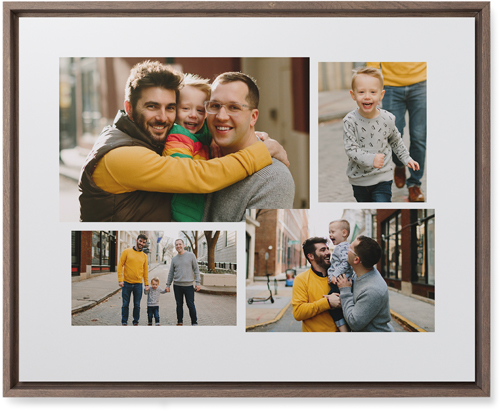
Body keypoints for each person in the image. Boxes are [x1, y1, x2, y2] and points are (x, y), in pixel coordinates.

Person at [78, 60, 289, 222]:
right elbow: (198, 175)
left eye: (170, 107)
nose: (163, 117)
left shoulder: (145, 138)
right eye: (152, 106)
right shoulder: (121, 156)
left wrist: (248, 136)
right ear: (129, 108)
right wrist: (263, 150)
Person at [203, 72, 295, 222]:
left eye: (234, 107)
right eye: (215, 106)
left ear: (253, 117)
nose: (221, 116)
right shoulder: (199, 151)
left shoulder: (273, 179)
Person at [343, 66, 419, 202]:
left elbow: (396, 141)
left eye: (373, 92)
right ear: (353, 95)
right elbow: (351, 149)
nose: (367, 96)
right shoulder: (350, 121)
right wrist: (371, 159)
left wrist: (407, 159)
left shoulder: (388, 118)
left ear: (381, 95)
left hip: (383, 178)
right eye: (361, 92)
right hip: (359, 181)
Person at [366, 62, 427, 202]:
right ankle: (399, 164)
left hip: (421, 83)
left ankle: (414, 184)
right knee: (393, 135)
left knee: (419, 136)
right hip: (390, 86)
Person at [336, 235, 394, 332]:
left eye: (350, 248)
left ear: (356, 260)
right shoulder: (361, 272)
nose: (347, 248)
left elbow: (354, 323)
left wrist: (345, 291)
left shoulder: (373, 290)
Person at [292, 237, 341, 332]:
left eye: (327, 248)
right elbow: (298, 313)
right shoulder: (301, 279)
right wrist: (327, 302)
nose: (328, 252)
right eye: (323, 250)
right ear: (311, 256)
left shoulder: (338, 276)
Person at [326, 219, 355, 332]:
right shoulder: (344, 246)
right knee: (341, 306)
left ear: (344, 233)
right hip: (339, 281)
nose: (330, 234)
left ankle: (344, 330)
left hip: (340, 282)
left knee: (332, 306)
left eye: (333, 232)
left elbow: (346, 262)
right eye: (329, 232)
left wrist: (334, 276)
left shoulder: (342, 246)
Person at [165, 239, 201, 326]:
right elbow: (171, 273)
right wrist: (168, 285)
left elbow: (196, 269)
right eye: (176, 245)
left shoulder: (191, 255)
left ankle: (194, 322)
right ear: (175, 247)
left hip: (188, 286)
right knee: (179, 305)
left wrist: (198, 282)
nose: (178, 246)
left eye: (180, 244)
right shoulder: (174, 259)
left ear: (183, 245)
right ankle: (180, 322)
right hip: (177, 286)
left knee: (190, 305)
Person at [118, 234, 149, 326]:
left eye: (144, 242)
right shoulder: (126, 251)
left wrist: (146, 284)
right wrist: (120, 279)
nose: (141, 243)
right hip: (126, 283)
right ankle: (124, 322)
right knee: (125, 304)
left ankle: (136, 322)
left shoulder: (144, 256)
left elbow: (145, 271)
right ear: (137, 240)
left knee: (137, 305)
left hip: (138, 285)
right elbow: (120, 265)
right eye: (140, 241)